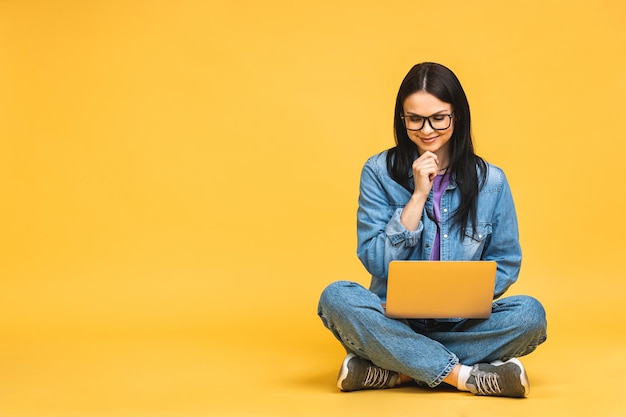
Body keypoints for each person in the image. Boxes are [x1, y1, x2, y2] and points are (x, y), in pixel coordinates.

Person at [317, 62, 547, 398]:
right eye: (415, 119)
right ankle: (465, 376)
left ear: (457, 116)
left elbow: (506, 260)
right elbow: (375, 261)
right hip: (393, 318)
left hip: (461, 322)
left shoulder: (492, 181)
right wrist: (418, 195)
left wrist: (460, 298)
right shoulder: (378, 172)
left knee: (530, 315)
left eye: (439, 117)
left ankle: (396, 369)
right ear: (402, 118)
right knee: (336, 297)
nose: (427, 130)